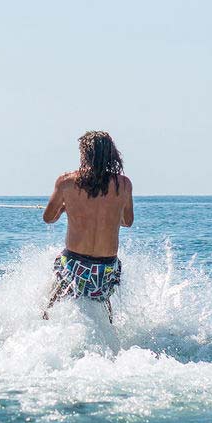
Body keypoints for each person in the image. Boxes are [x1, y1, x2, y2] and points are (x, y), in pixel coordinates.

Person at [42, 131, 134, 321]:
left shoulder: (66, 182)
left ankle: (42, 323)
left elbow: (49, 218)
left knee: (51, 300)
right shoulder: (123, 184)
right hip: (106, 267)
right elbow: (128, 222)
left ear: (84, 154)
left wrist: (66, 209)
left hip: (74, 265)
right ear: (110, 154)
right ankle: (112, 337)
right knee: (105, 303)